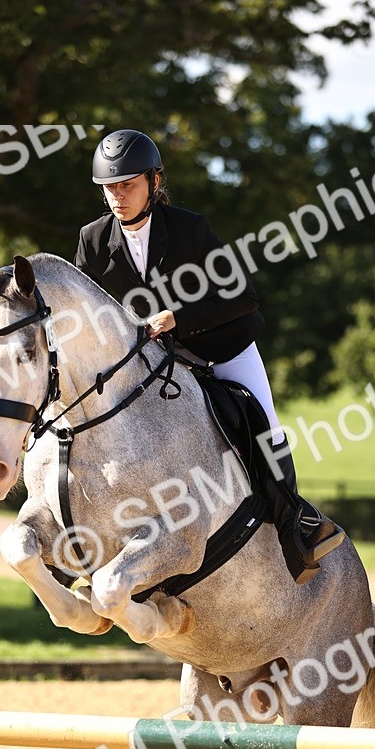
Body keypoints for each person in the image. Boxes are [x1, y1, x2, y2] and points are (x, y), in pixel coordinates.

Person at [74, 128, 344, 584]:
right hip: (152, 359)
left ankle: (299, 526)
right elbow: (87, 314)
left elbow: (243, 297)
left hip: (221, 345)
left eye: (128, 184)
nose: (118, 196)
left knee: (264, 424)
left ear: (154, 182)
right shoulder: (92, 240)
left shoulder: (189, 229)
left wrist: (177, 316)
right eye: (110, 188)